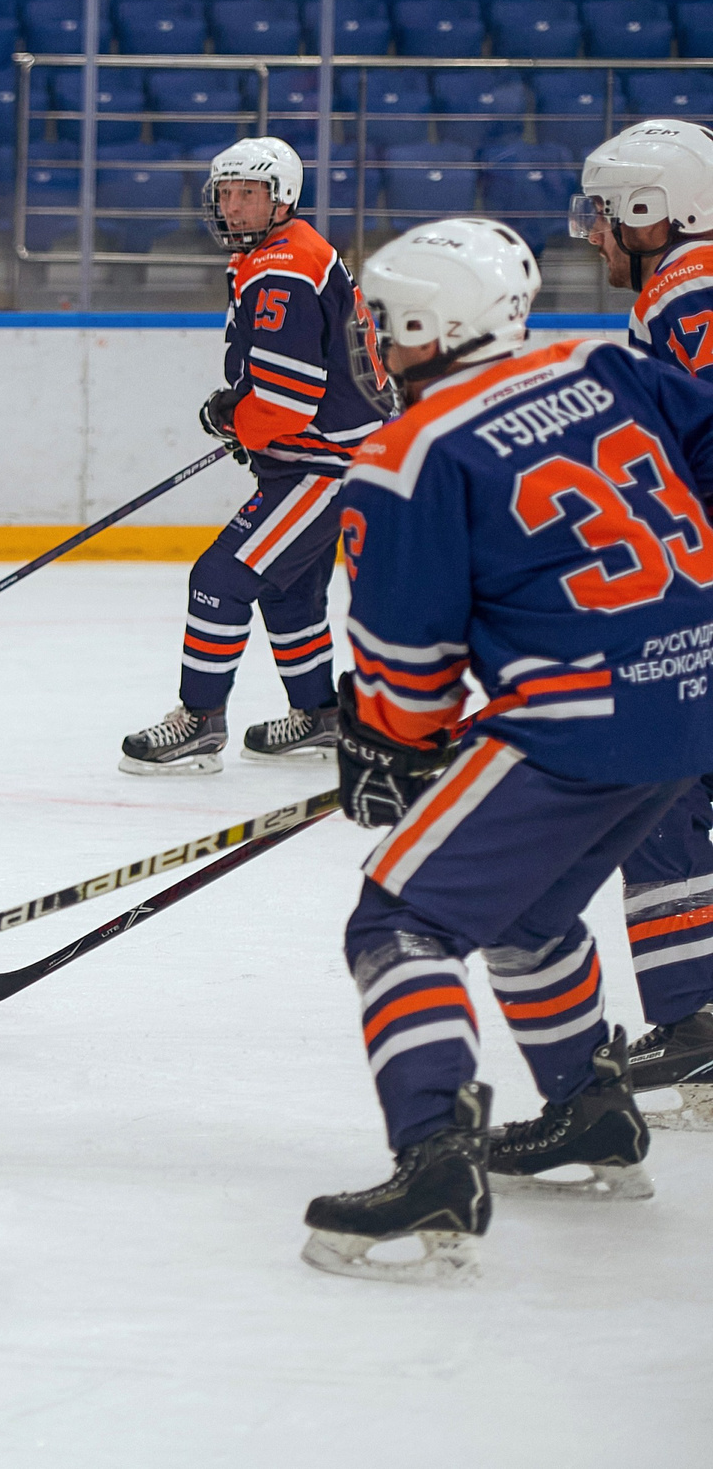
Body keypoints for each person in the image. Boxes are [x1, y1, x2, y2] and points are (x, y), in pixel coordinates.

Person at [302, 217, 713, 1284]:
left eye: (383, 323)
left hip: (576, 724)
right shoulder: (607, 364)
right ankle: (588, 1112)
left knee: (399, 917)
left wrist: (388, 746)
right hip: (694, 696)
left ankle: (432, 1158)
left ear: (424, 328)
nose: (373, 342)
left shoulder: (409, 455)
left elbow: (406, 670)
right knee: (527, 914)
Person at [121, 138, 381, 775]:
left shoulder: (283, 268)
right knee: (287, 593)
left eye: (249, 194)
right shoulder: (287, 254)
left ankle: (200, 721)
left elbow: (288, 400)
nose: (233, 207)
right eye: (226, 194)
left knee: (221, 580)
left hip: (327, 468)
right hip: (330, 460)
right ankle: (318, 716)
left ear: (282, 199)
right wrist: (250, 422)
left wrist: (234, 419)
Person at [574, 118, 713, 1131]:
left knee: (654, 780)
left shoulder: (687, 292)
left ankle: (690, 1014)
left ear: (650, 210)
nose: (591, 232)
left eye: (601, 212)